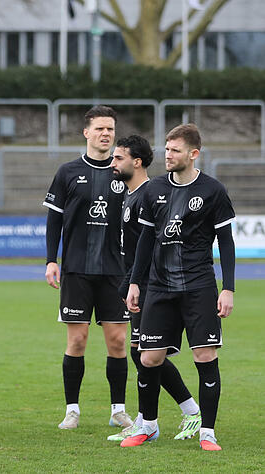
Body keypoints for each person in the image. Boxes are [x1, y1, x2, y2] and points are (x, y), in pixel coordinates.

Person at [121, 124, 235, 451]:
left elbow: (226, 242)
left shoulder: (213, 191)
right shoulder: (154, 188)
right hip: (158, 286)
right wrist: (135, 283)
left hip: (198, 285)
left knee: (205, 354)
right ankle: (149, 426)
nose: (168, 156)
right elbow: (144, 240)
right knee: (149, 357)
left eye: (175, 151)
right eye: (167, 150)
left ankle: (207, 432)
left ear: (193, 154)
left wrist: (228, 288)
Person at [43, 105, 132, 430]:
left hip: (115, 271)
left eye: (110, 128)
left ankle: (118, 410)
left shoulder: (124, 172)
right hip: (77, 270)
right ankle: (72, 410)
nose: (105, 134)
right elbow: (54, 219)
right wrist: (52, 259)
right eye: (99, 128)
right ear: (86, 132)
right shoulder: (67, 172)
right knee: (77, 340)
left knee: (118, 342)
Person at [107, 135, 201, 442]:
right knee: (142, 354)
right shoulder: (130, 195)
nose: (112, 163)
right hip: (137, 283)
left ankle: (179, 414)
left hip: (152, 285)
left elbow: (154, 248)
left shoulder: (153, 193)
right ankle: (154, 418)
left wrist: (131, 283)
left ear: (136, 162)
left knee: (146, 353)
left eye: (118, 158)